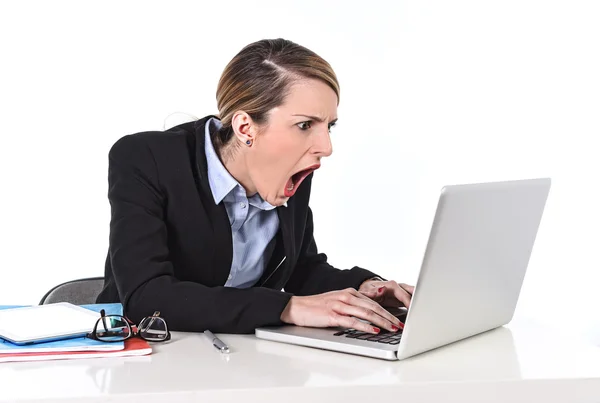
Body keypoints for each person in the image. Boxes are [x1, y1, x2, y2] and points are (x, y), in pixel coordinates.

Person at [96, 38, 414, 335]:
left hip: (240, 355)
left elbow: (300, 270)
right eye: (305, 125)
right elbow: (147, 297)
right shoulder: (145, 159)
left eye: (328, 126)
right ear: (246, 127)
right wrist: (288, 308)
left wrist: (365, 288)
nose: (325, 146)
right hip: (145, 352)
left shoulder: (291, 167)